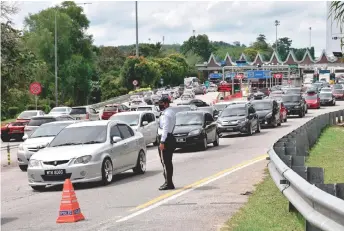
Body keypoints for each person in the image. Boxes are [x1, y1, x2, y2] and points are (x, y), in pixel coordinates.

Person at [157, 96, 176, 190]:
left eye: (161, 103)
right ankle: (168, 182)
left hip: (166, 139)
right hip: (170, 137)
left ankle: (168, 183)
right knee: (168, 162)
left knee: (165, 162)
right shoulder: (170, 112)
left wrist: (162, 141)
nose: (160, 104)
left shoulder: (166, 115)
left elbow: (165, 129)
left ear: (166, 103)